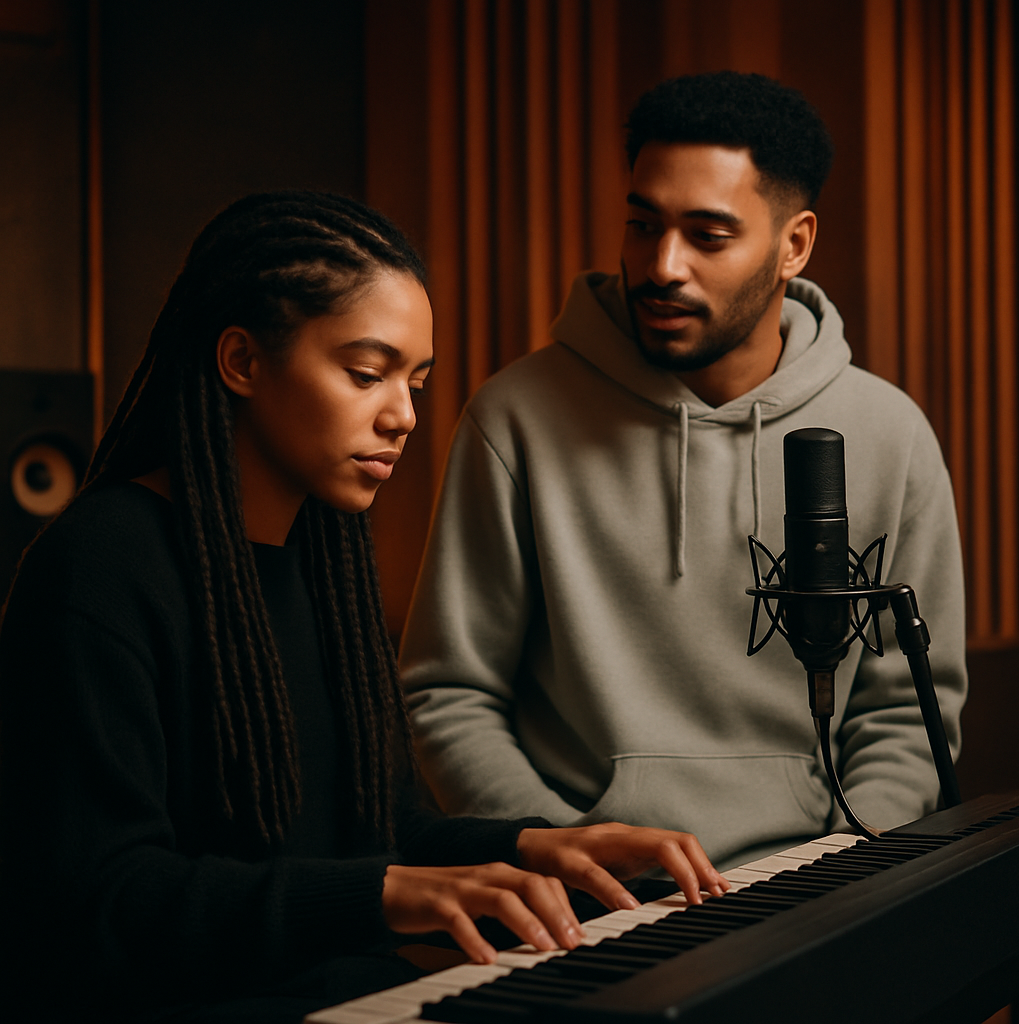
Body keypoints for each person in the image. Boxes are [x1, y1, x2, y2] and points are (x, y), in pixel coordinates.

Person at [0, 191, 728, 1024]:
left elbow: (378, 834)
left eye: (415, 382)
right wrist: (380, 895)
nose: (404, 416)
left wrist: (538, 846)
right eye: (366, 373)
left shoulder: (324, 562)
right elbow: (103, 899)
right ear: (241, 361)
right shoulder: (97, 566)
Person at [400, 73, 968, 870]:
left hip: (821, 883)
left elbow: (904, 714)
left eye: (708, 236)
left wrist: (835, 873)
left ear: (794, 244)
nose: (662, 265)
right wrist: (563, 850)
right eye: (643, 225)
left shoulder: (889, 433)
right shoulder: (515, 418)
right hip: (586, 896)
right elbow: (449, 693)